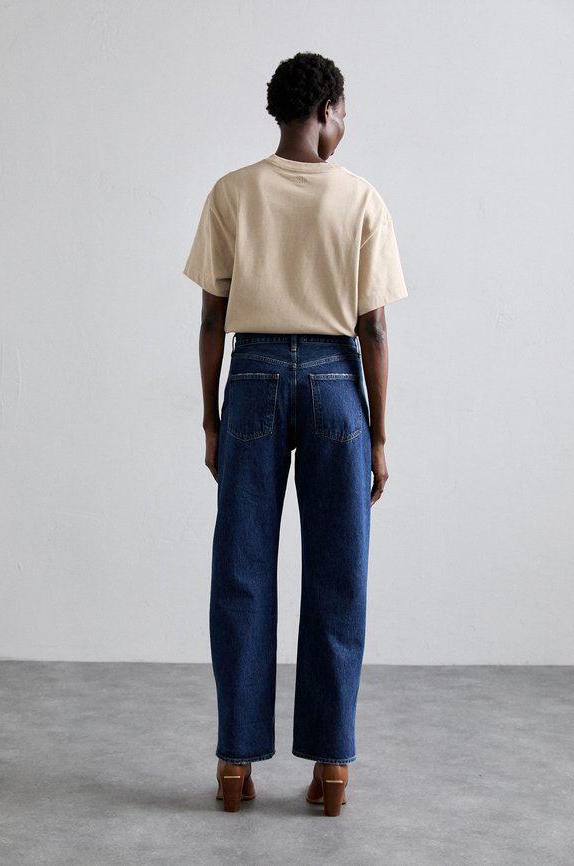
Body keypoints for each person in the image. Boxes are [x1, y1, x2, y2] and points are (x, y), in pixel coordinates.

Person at [182, 51, 408, 816]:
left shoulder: (232, 192)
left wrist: (211, 419)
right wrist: (379, 435)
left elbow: (211, 318)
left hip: (251, 380)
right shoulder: (360, 198)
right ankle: (332, 767)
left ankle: (235, 763)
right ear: (327, 111)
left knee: (241, 572)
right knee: (339, 573)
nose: (344, 126)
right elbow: (375, 328)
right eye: (344, 114)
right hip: (336, 384)